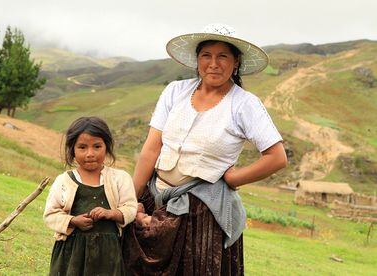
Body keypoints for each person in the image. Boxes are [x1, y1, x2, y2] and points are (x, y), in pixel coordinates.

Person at [123, 23, 287, 275]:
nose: (213, 63)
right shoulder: (175, 91)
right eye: (206, 55)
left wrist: (234, 177)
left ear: (236, 62)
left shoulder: (244, 104)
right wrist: (130, 202)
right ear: (197, 60)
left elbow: (276, 158)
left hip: (200, 213)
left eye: (223, 56)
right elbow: (150, 150)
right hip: (154, 196)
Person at [43, 116, 137, 276]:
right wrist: (72, 220)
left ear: (106, 147)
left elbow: (130, 208)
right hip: (71, 254)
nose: (90, 154)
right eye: (82, 147)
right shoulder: (64, 181)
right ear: (72, 150)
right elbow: (50, 215)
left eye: (97, 146)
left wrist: (111, 213)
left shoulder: (120, 178)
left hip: (107, 254)